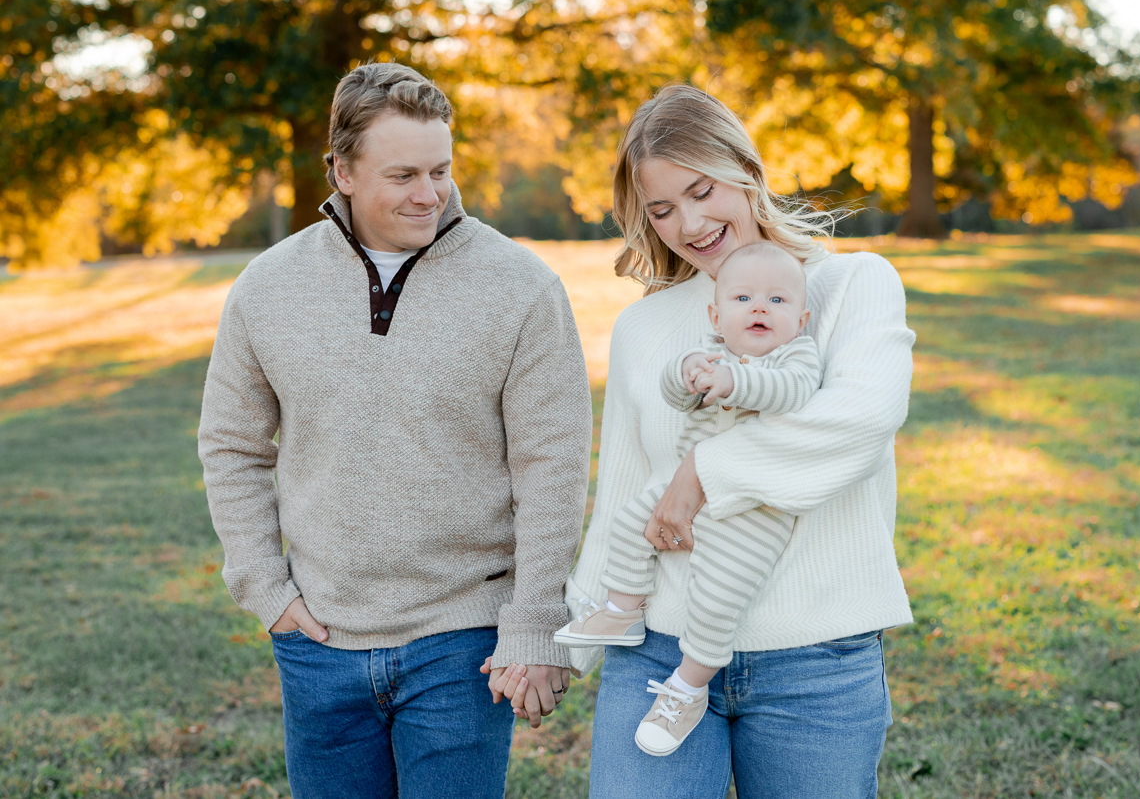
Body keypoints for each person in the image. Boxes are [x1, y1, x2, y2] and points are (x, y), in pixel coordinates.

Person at [198, 62, 590, 799]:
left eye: (440, 170)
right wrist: (265, 587)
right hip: (318, 640)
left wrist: (534, 622)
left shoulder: (522, 287)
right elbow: (232, 446)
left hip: (463, 638)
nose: (429, 194)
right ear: (341, 170)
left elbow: (552, 466)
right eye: (403, 174)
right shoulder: (267, 287)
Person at [569, 84, 916, 798]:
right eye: (661, 209)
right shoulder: (645, 328)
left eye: (701, 191)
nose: (689, 223)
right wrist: (561, 644)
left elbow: (858, 421)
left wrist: (703, 472)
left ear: (746, 170)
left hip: (817, 659)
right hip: (655, 652)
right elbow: (621, 498)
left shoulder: (853, 284)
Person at [554, 241, 823, 757]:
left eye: (778, 301)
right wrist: (683, 373)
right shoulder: (712, 352)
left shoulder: (796, 356)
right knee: (632, 521)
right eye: (743, 298)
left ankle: (690, 684)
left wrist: (733, 379)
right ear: (716, 315)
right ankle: (624, 607)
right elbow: (678, 397)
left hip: (755, 509)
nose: (760, 308)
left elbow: (791, 393)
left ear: (802, 317)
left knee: (719, 593)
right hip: (682, 486)